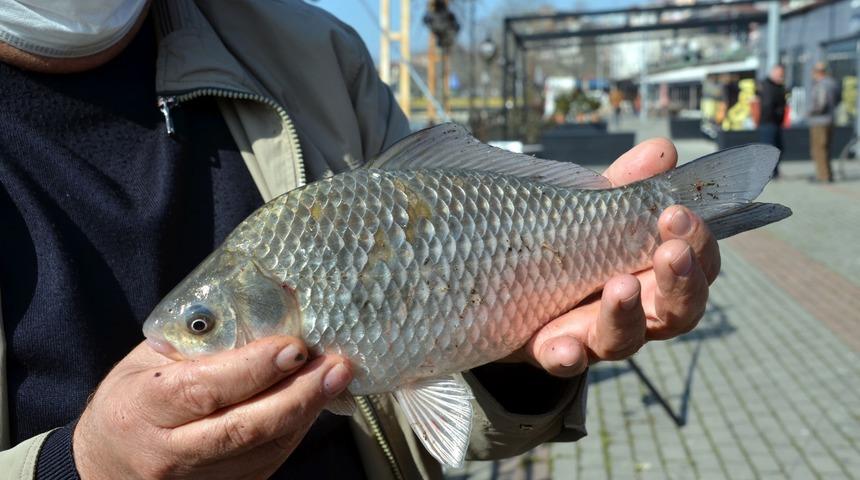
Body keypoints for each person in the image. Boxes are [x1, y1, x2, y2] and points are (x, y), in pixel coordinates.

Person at [0, 1, 720, 478]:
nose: (186, 335)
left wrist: (517, 365)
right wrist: (79, 466)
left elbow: (440, 423)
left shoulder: (314, 51)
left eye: (201, 322)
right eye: (202, 323)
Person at [808, 62, 839, 183]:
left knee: (818, 150)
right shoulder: (833, 83)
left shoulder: (821, 84)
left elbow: (821, 105)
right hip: (830, 119)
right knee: (826, 148)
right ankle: (828, 173)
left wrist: (810, 112)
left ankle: (823, 176)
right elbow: (837, 100)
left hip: (819, 121)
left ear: (817, 72)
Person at [757, 64, 787, 178]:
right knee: (770, 148)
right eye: (780, 74)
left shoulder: (778, 86)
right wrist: (777, 113)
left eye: (782, 75)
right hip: (769, 122)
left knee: (779, 147)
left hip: (776, 123)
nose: (781, 77)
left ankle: (774, 171)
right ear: (773, 73)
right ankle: (769, 173)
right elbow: (767, 105)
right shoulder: (768, 86)